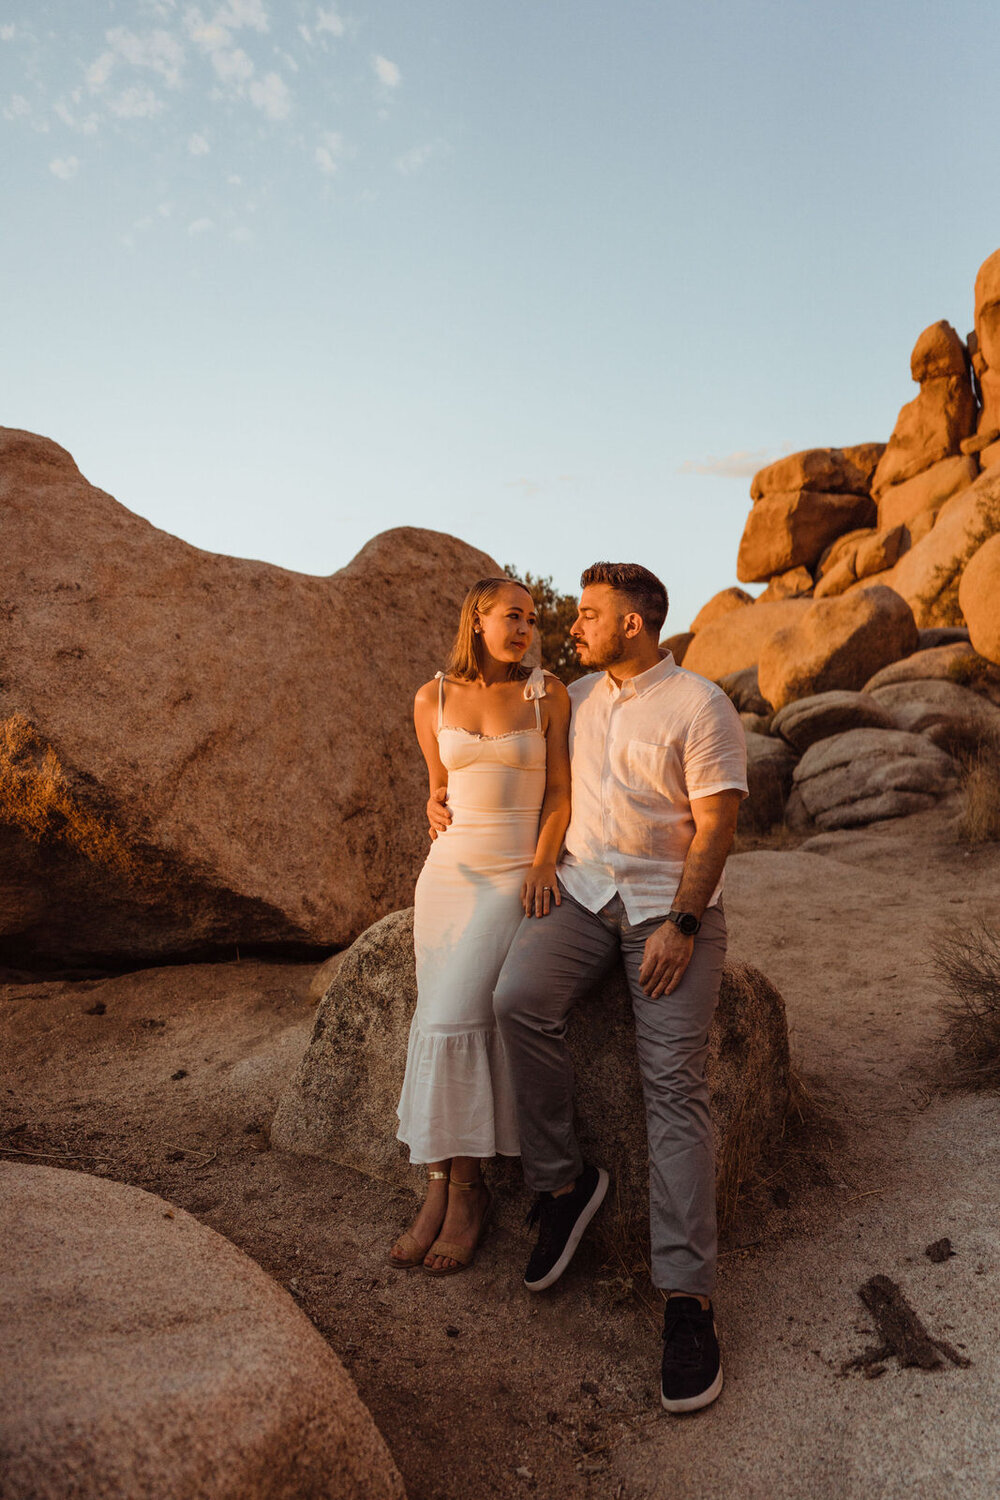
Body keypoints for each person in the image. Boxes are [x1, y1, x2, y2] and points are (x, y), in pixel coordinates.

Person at [489, 562, 748, 1412]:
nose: (577, 626)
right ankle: (565, 1185)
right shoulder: (581, 698)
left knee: (672, 1085)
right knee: (515, 1001)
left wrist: (681, 923)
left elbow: (716, 827)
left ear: (635, 623)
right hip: (582, 893)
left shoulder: (700, 705)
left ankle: (686, 1302)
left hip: (665, 907)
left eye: (591, 614)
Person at [390, 577, 571, 1276]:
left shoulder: (545, 693)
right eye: (511, 617)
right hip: (447, 877)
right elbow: (438, 787)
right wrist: (431, 803)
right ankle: (437, 1188)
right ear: (477, 620)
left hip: (511, 876)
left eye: (531, 619)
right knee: (438, 1024)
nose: (525, 628)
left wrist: (543, 864)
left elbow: (558, 794)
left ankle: (466, 1196)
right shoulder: (430, 698)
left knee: (462, 1021)